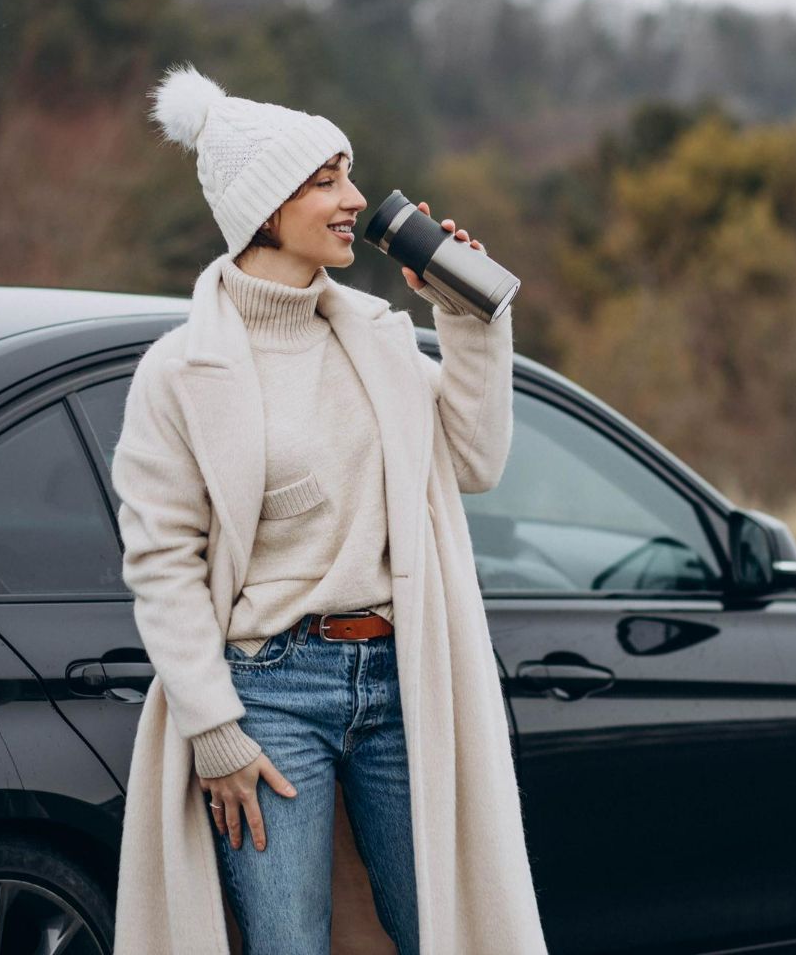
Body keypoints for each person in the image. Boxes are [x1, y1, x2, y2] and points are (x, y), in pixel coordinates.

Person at [109, 62, 550, 954]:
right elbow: (162, 561)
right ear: (267, 208)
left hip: (401, 678)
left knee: (442, 930)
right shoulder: (179, 372)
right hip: (267, 694)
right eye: (327, 181)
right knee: (287, 942)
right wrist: (215, 730)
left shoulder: (378, 341)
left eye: (347, 175)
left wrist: (469, 319)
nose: (355, 199)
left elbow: (474, 459)